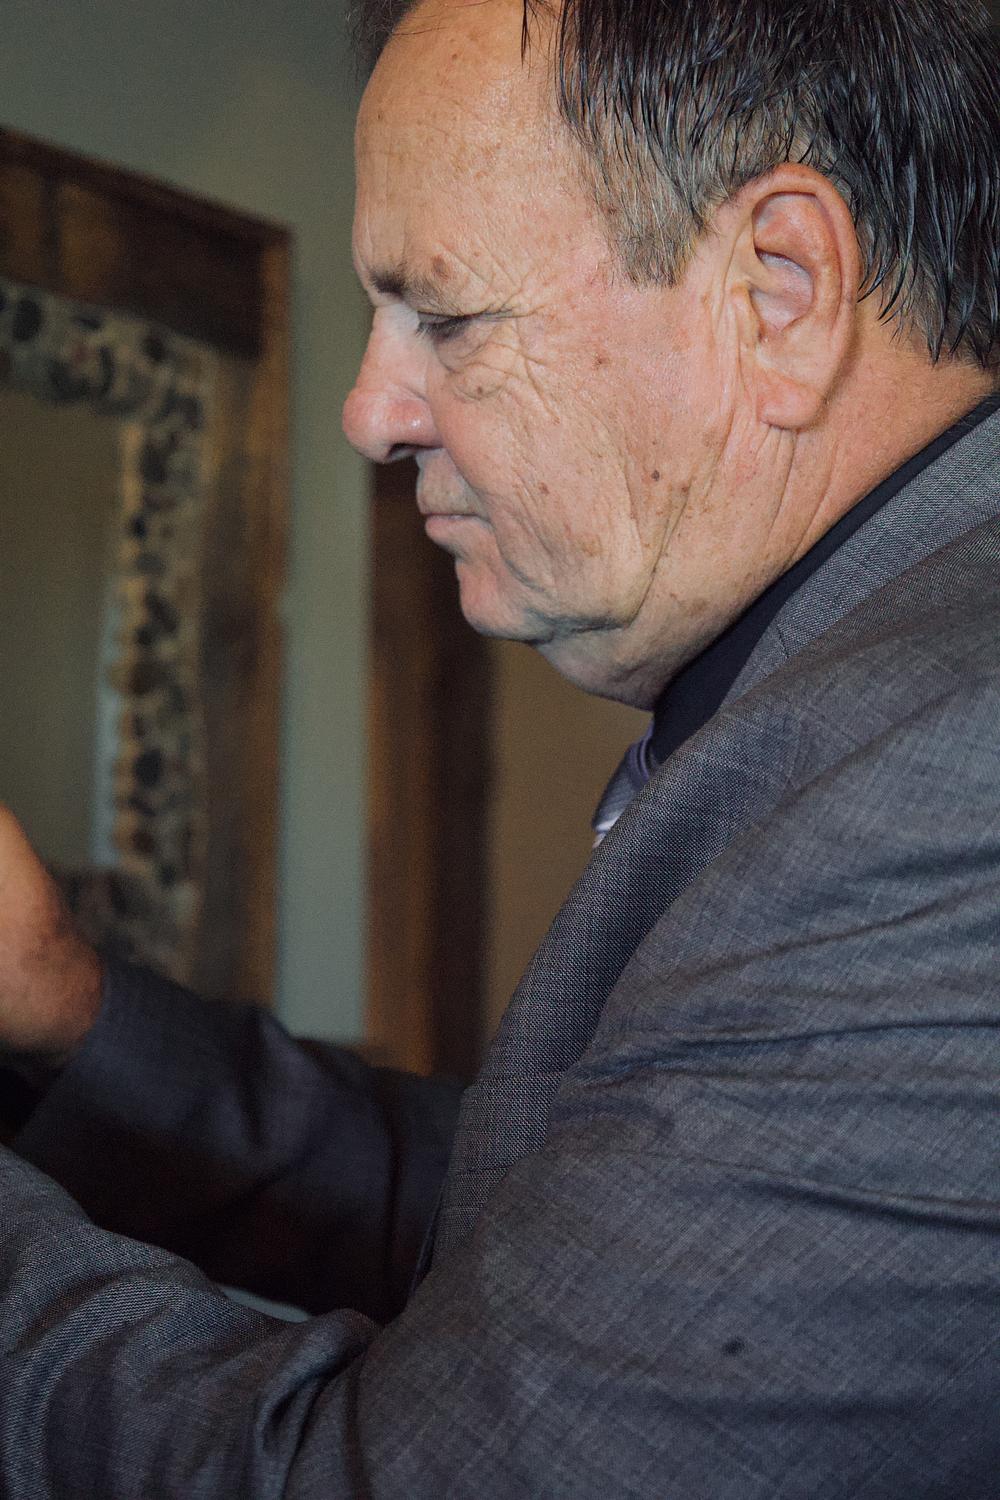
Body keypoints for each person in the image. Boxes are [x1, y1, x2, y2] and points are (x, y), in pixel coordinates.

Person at [1, 0, 998, 1492]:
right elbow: (570, 1226)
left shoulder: (953, 780)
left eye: (447, 318)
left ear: (779, 294)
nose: (370, 414)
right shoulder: (877, 702)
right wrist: (66, 1008)